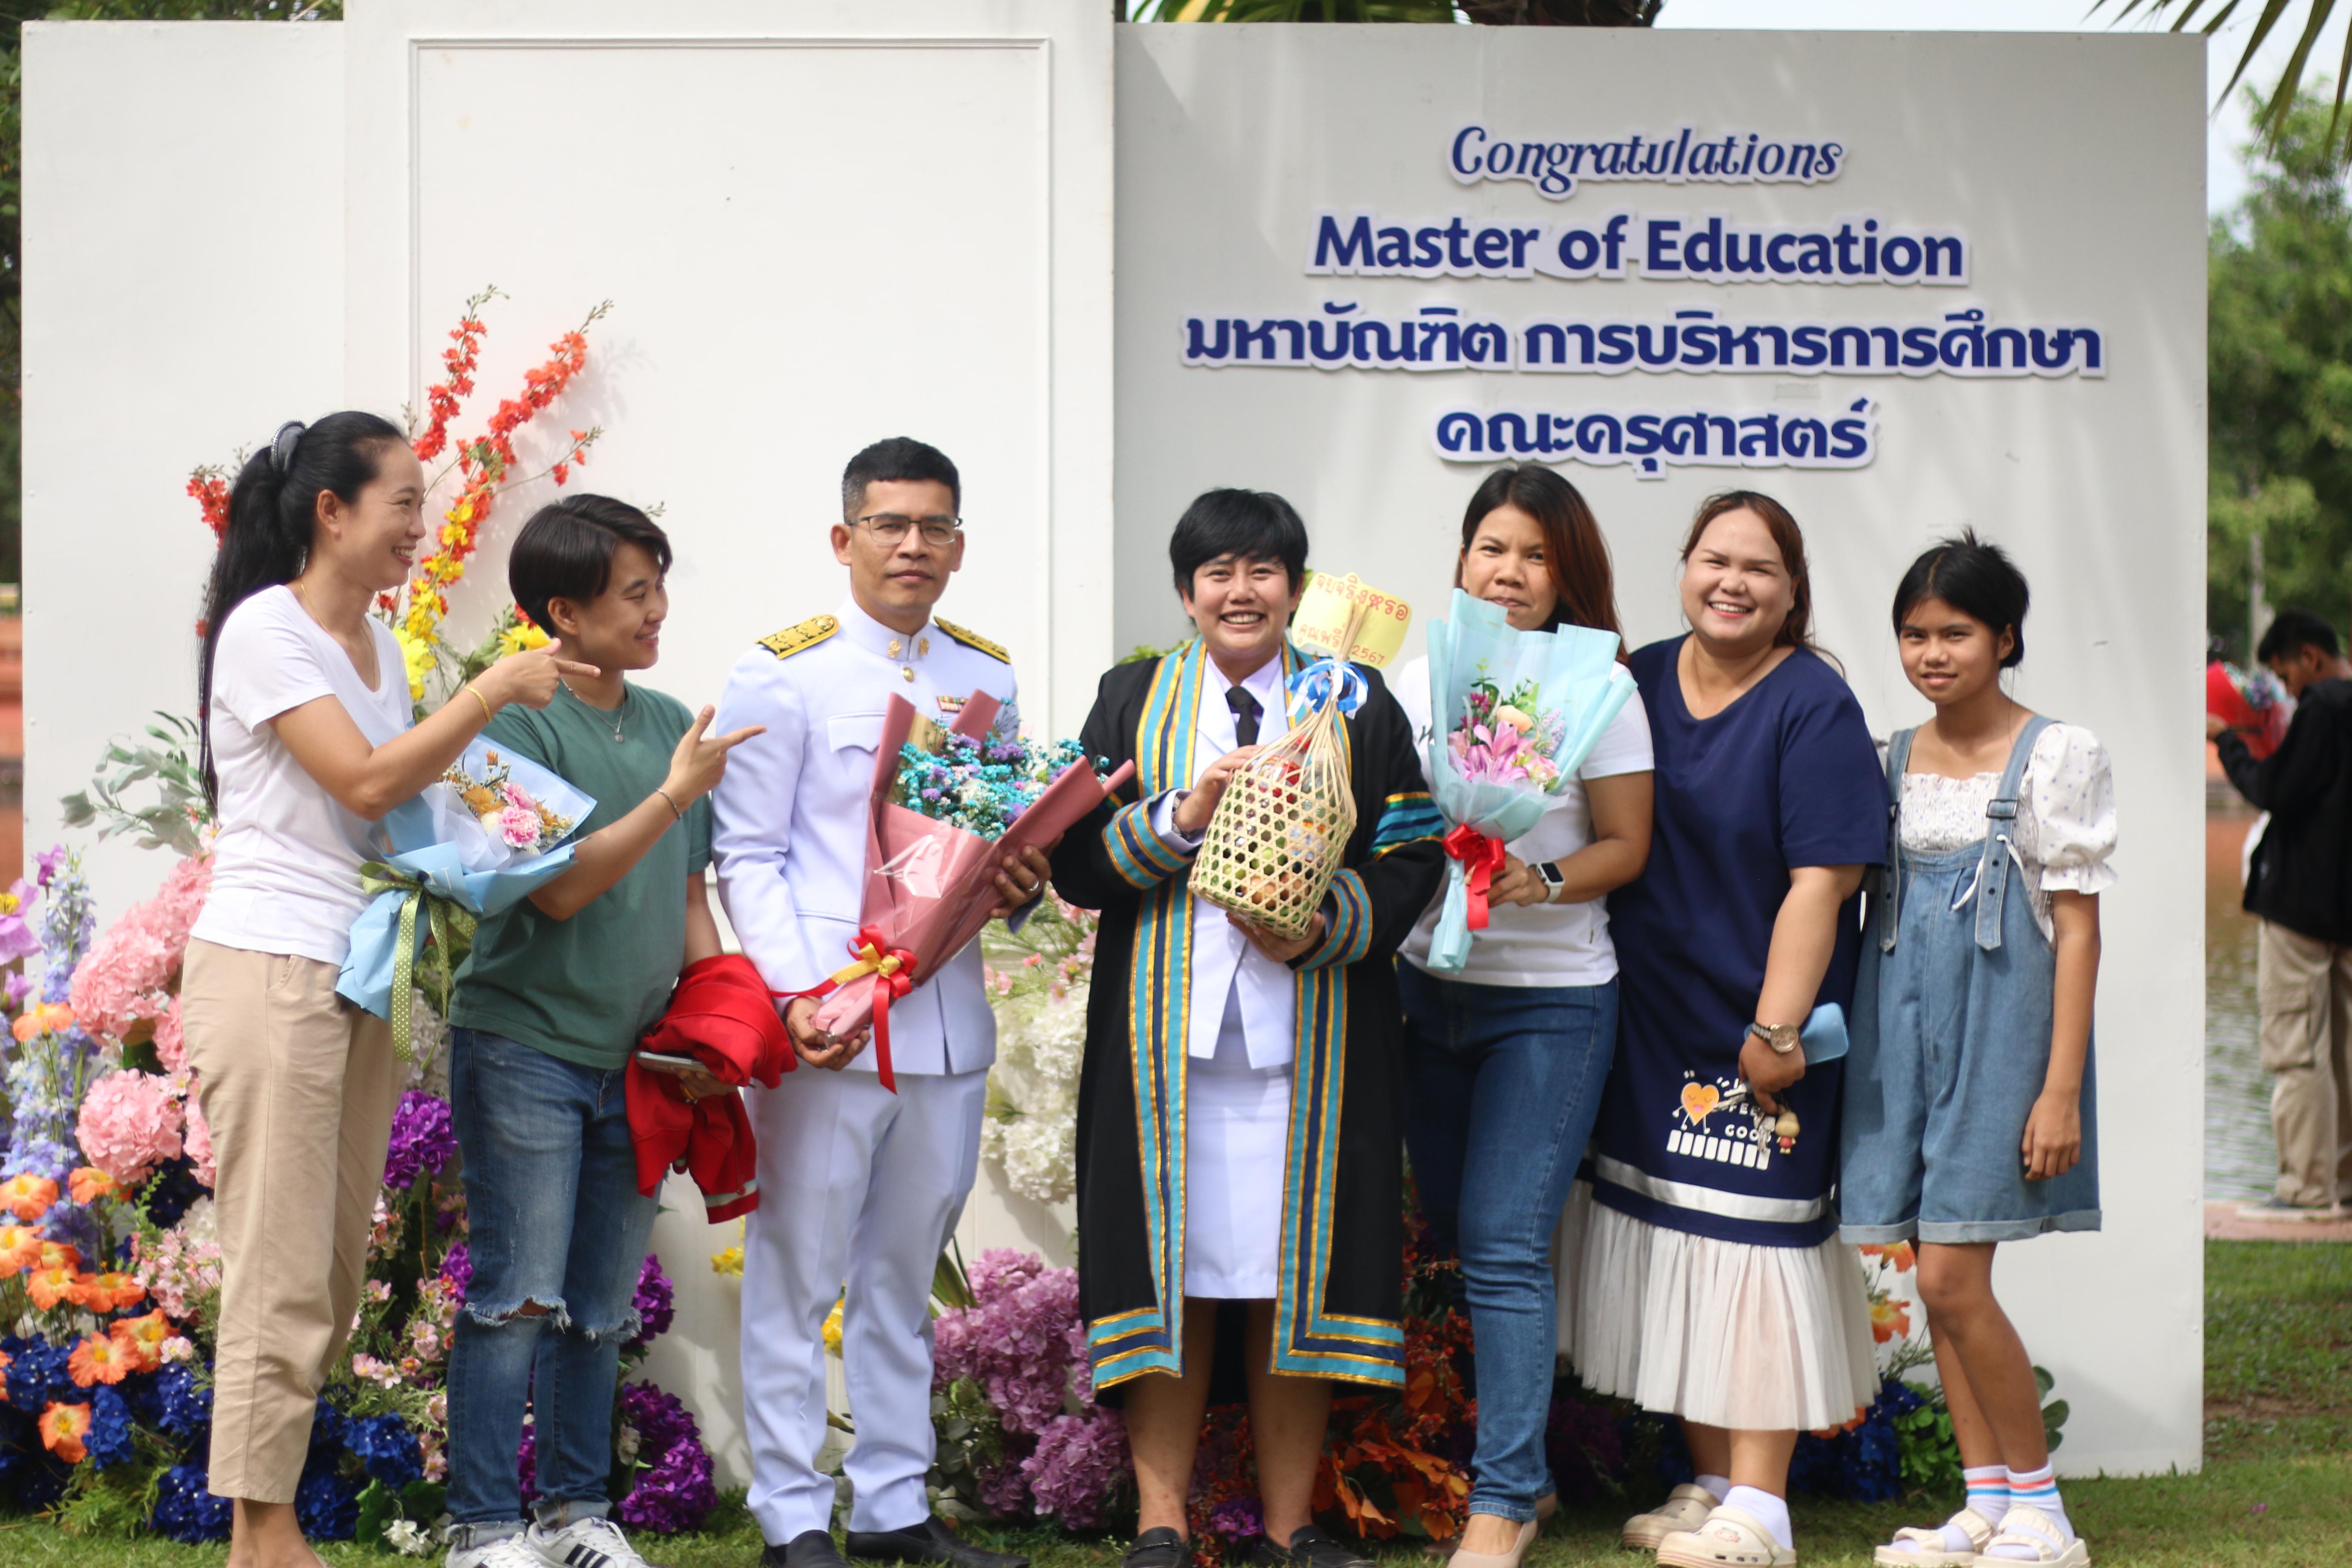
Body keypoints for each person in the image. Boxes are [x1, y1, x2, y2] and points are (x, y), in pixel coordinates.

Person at [180, 413, 589, 1568]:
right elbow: (362, 780)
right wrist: (492, 697)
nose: (421, 524)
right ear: (332, 512)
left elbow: (398, 801)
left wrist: (509, 829)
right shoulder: (269, 631)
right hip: (269, 964)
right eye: (405, 502)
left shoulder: (377, 645)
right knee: (282, 1253)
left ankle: (269, 1526)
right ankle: (262, 1537)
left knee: (328, 1262)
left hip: (353, 965)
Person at [1049, 490, 1445, 1568]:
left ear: (1296, 591)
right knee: (1171, 1273)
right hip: (1163, 1052)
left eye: (1263, 570)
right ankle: (1162, 1523)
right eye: (1217, 572)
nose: (1240, 590)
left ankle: (1289, 1525)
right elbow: (1075, 865)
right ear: (1186, 594)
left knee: (1287, 1273)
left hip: (1307, 1045)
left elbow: (1415, 856)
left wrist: (1323, 926)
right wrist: (1182, 815)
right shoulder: (1133, 699)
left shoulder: (1354, 702)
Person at [712, 438, 1049, 1568]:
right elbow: (746, 856)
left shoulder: (987, 676)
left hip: (946, 1021)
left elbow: (977, 848)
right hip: (834, 1027)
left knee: (906, 1274)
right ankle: (794, 1517)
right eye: (892, 523)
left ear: (960, 543)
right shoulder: (784, 671)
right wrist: (795, 997)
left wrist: (1018, 879)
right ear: (843, 536)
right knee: (797, 1270)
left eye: (937, 526)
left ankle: (897, 1506)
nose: (915, 546)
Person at [441, 496, 763, 1568]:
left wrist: (715, 1026)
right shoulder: (505, 727)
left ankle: (577, 1516)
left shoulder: (674, 723)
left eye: (661, 585)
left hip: (642, 1062)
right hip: (523, 1048)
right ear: (562, 613)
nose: (658, 609)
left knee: (597, 1307)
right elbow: (561, 894)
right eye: (636, 593)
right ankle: (484, 1527)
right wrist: (673, 800)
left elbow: (687, 900)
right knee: (512, 1299)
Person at [1566, 491, 1882, 1568]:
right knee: (1675, 1242)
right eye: (1714, 560)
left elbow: (1823, 882)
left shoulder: (1812, 702)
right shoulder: (1638, 676)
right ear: (1685, 567)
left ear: (1793, 592)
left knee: (1755, 1251)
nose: (1732, 583)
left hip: (1762, 1028)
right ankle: (1706, 1482)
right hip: (1650, 1012)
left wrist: (1779, 1026)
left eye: (1759, 567)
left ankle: (1763, 1507)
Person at [1389, 467, 1653, 1568]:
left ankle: (1501, 1503)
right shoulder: (1415, 679)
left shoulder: (1604, 690)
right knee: (1454, 1229)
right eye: (1493, 548)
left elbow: (1625, 847)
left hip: (1548, 1004)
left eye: (1537, 556)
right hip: (1417, 995)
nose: (1511, 572)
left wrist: (1532, 880)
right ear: (1461, 560)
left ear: (1568, 576)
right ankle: (1527, 1473)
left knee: (1503, 1245)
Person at [1844, 535, 2112, 1568]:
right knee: (1928, 1277)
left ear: (2005, 637)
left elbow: (2079, 931)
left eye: (1955, 632)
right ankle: (1987, 1500)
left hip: (2004, 1042)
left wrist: (2060, 1092)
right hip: (1901, 1040)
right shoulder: (1889, 758)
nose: (1932, 652)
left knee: (1954, 1279)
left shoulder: (2057, 754)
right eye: (1914, 633)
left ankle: (2045, 1510)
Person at [2211, 608, 2352, 1222]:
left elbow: (2276, 791)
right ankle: (2341, 1187)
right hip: (2345, 910)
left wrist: (2229, 743)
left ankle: (2304, 1190)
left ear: (2310, 658)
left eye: (2284, 673)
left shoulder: (2323, 707)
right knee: (2344, 1052)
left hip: (2301, 907)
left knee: (2295, 1048)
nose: (2287, 688)